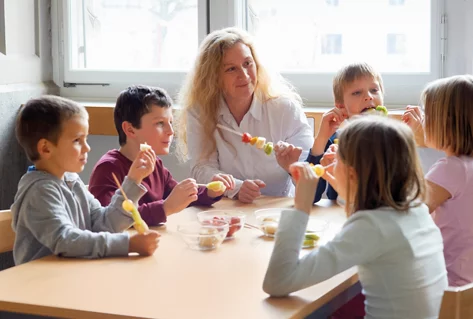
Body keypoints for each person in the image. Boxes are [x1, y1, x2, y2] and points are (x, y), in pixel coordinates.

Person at [263, 116, 448, 318]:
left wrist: (301, 208)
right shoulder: (415, 210)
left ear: (352, 175)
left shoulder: (372, 226)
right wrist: (349, 193)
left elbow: (277, 281)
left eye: (338, 159)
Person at [12, 95, 160, 265]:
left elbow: (104, 224)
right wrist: (127, 245)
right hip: (40, 284)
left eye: (86, 139)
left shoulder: (72, 181)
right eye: (77, 140)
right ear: (46, 148)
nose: (87, 147)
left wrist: (133, 180)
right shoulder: (39, 191)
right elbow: (65, 240)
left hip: (73, 274)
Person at [176, 27, 314, 203]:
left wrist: (292, 168)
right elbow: (201, 167)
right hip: (229, 208)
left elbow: (311, 175)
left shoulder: (284, 109)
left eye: (248, 63)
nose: (244, 75)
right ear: (214, 77)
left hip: (278, 209)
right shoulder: (200, 112)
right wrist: (235, 187)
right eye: (231, 69)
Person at [89, 86, 226, 226]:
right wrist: (165, 208)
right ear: (130, 129)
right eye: (160, 123)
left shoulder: (156, 164)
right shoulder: (108, 169)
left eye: (170, 123)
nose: (171, 131)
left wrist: (210, 192)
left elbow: (177, 196)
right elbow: (111, 220)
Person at [403, 74, 473, 287]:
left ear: (446, 123)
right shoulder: (466, 166)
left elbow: (407, 211)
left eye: (427, 114)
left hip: (448, 286)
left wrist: (407, 142)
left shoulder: (452, 169)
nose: (423, 121)